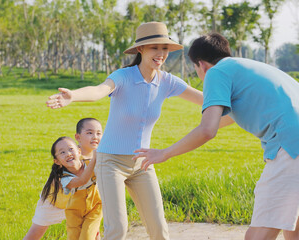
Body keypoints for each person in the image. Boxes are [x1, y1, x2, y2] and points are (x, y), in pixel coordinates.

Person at [46, 22, 231, 240]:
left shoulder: (167, 81)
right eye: (154, 48)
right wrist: (73, 96)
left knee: (159, 229)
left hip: (142, 163)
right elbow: (98, 91)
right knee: (118, 229)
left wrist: (241, 108)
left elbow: (207, 101)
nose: (160, 54)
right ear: (141, 49)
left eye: (164, 48)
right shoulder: (123, 76)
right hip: (111, 162)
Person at [133, 33, 299, 240]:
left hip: (291, 147)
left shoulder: (216, 73)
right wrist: (195, 131)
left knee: (259, 233)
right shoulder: (245, 66)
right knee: (293, 227)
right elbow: (225, 120)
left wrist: (164, 153)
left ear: (201, 65)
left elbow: (207, 130)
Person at [23, 118, 102, 240]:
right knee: (34, 234)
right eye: (89, 133)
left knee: (91, 230)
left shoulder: (93, 154)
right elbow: (82, 180)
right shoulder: (68, 166)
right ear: (78, 137)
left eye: (98, 133)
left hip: (78, 204)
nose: (94, 137)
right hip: (55, 202)